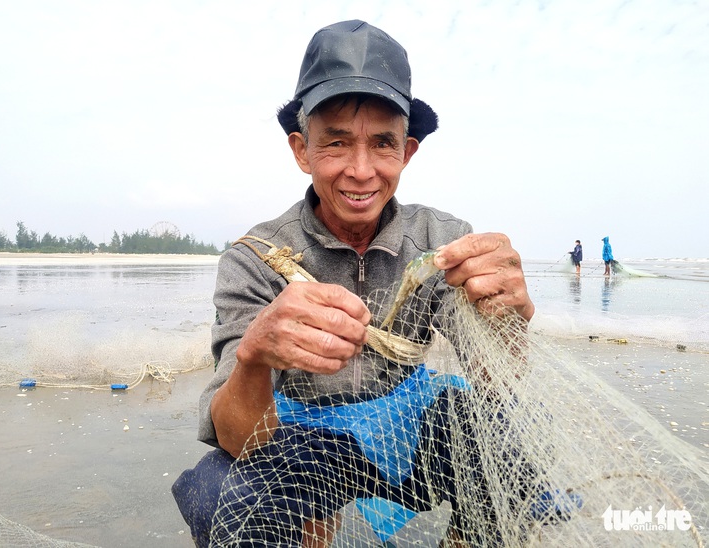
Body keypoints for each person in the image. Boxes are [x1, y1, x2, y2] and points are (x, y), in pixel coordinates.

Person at [172, 20, 535, 547]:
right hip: (301, 438)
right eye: (337, 142)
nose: (361, 171)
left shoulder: (442, 242)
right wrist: (254, 353)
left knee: (507, 447)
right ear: (302, 150)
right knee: (218, 493)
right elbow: (235, 436)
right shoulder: (254, 258)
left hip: (413, 428)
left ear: (406, 153)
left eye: (383, 144)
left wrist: (509, 318)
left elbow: (497, 382)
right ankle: (314, 522)